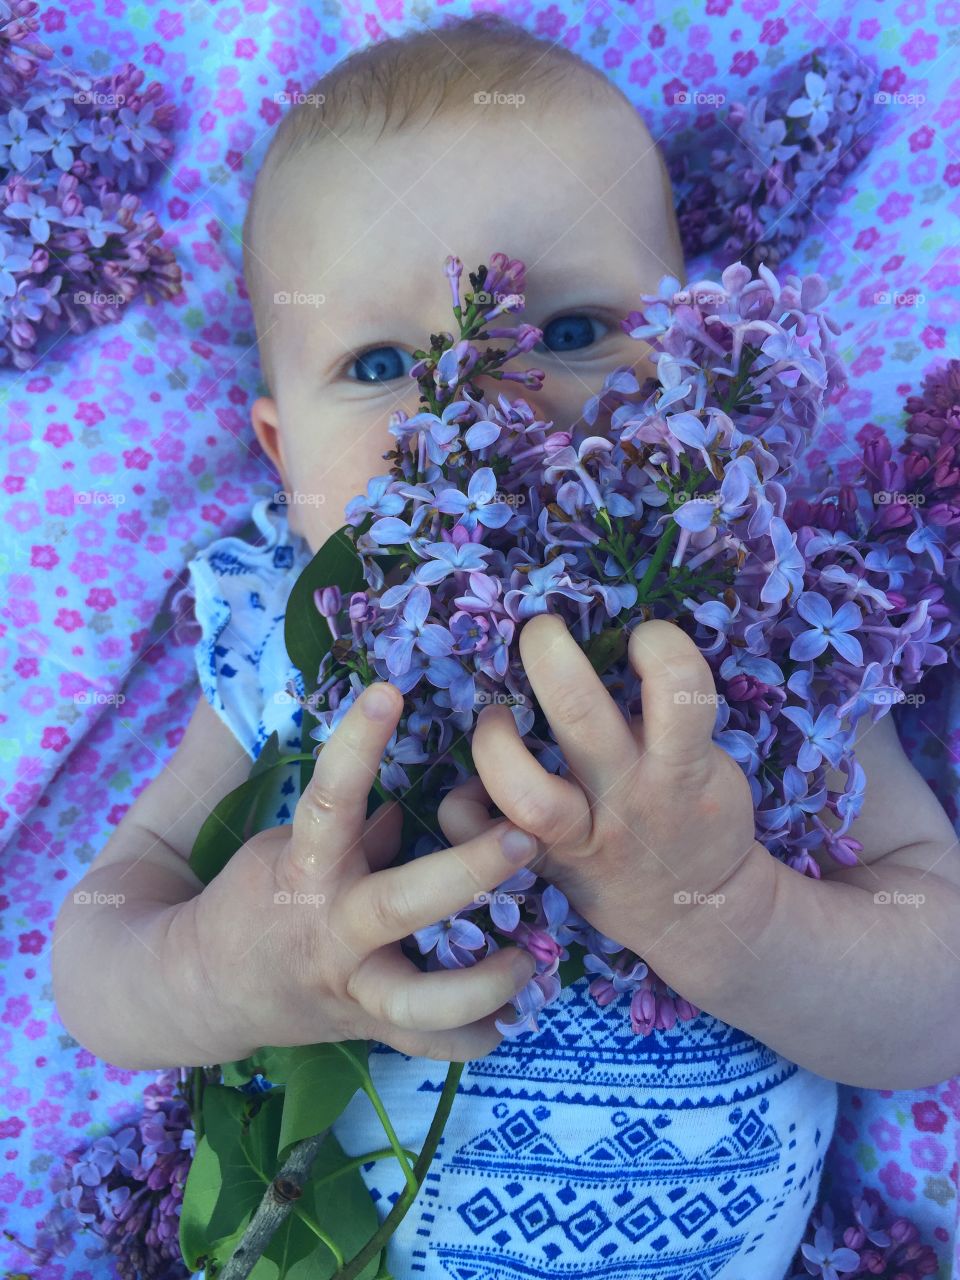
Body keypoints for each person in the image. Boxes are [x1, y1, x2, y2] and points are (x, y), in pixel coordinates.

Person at [51, 14, 960, 1277]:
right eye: (379, 362)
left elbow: (941, 987)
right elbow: (96, 950)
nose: (481, 401)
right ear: (279, 452)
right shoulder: (288, 629)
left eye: (575, 331)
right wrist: (233, 963)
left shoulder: (754, 610)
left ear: (694, 349)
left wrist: (732, 915)